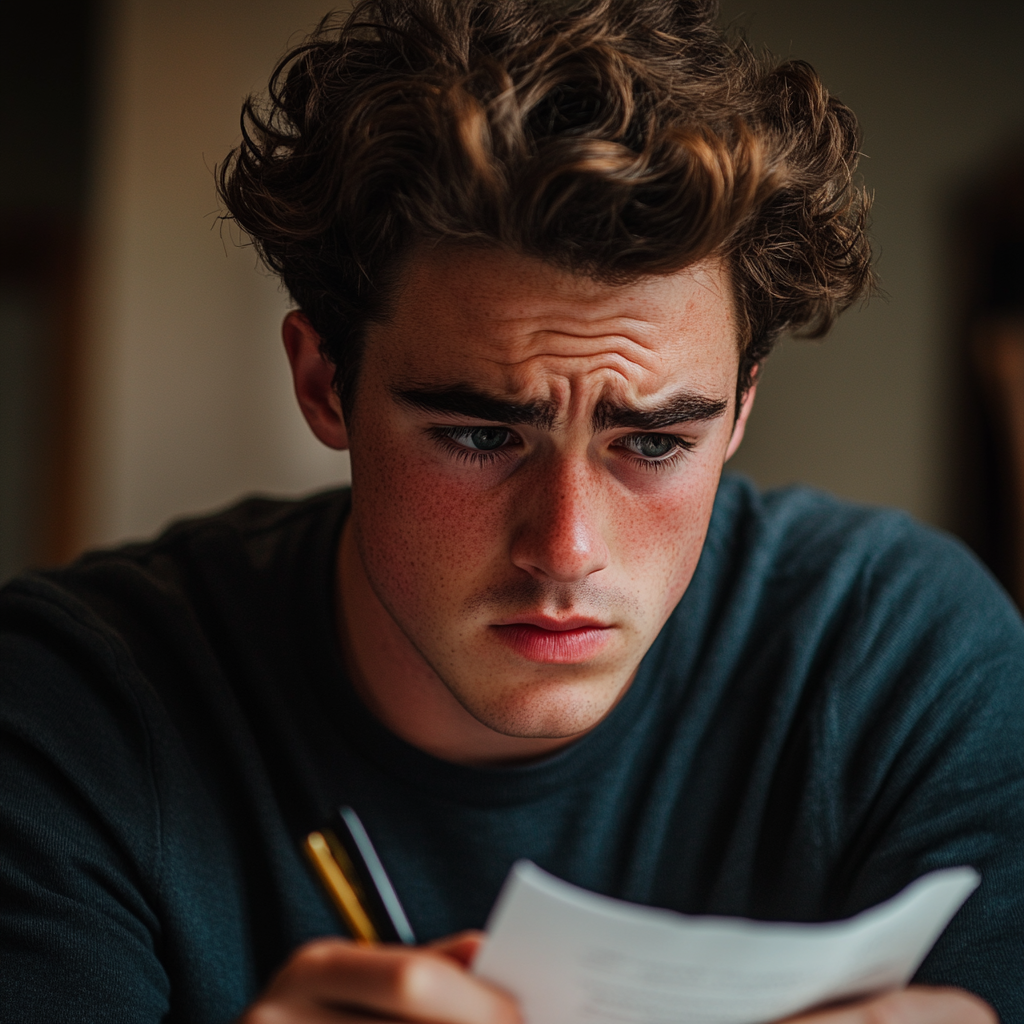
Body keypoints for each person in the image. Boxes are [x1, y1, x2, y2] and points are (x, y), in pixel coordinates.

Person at [1, 1, 1021, 1021]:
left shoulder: (909, 661)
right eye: (482, 435)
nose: (567, 549)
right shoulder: (67, 708)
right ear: (322, 384)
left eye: (654, 443)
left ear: (740, 410)